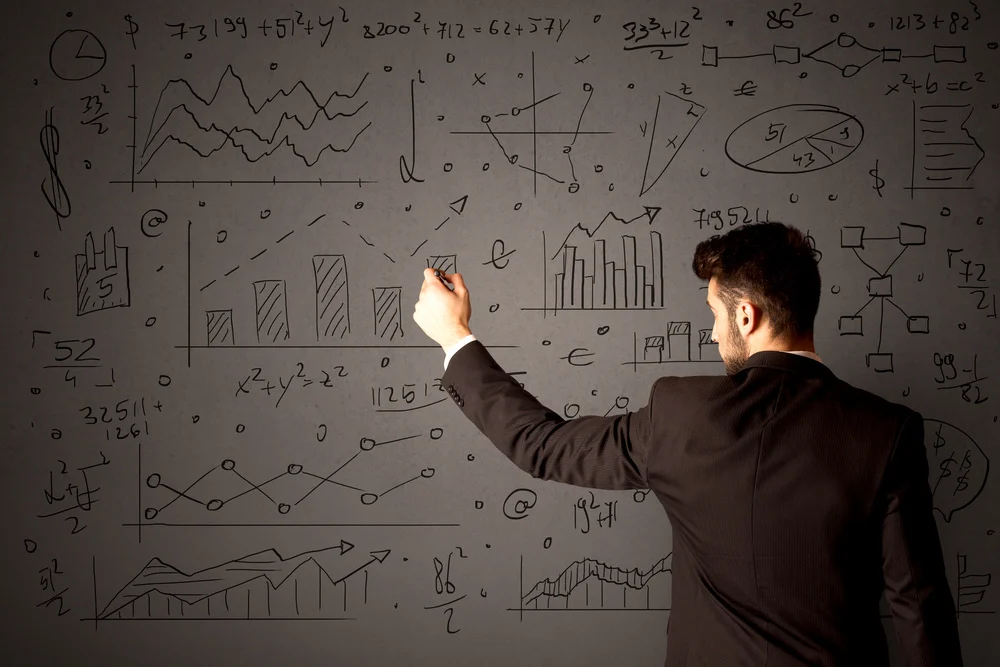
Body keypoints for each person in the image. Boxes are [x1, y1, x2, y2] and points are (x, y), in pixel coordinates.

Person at [412, 222, 963, 667]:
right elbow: (919, 609)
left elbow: (543, 444)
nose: (713, 333)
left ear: (746, 316)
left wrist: (455, 337)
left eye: (714, 315)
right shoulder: (887, 429)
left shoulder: (682, 416)